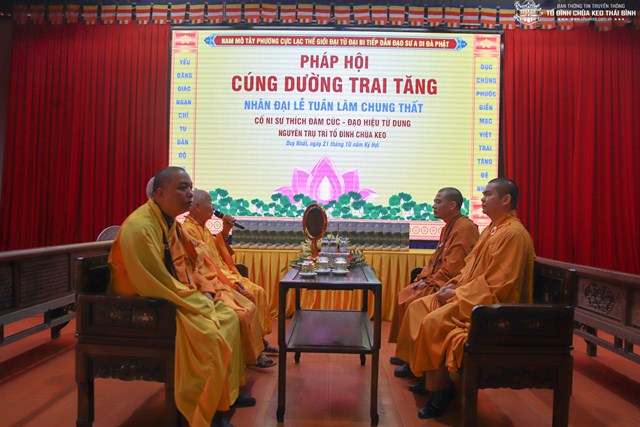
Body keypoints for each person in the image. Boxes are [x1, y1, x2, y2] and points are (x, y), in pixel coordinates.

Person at [108, 167, 249, 427]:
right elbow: (152, 281)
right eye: (182, 188)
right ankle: (201, 411)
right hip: (143, 306)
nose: (190, 194)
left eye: (191, 188)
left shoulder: (169, 223)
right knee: (209, 331)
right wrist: (199, 300)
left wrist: (205, 289)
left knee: (229, 317)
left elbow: (189, 265)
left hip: (171, 294)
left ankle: (224, 397)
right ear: (160, 193)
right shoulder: (140, 227)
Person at [394, 177, 535, 419]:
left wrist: (456, 293)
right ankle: (423, 372)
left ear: (506, 199)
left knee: (432, 321)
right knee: (418, 307)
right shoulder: (492, 230)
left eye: (488, 194)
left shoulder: (512, 234)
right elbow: (469, 269)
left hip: (487, 306)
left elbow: (499, 285)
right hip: (467, 294)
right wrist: (452, 286)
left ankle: (441, 390)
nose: (482, 199)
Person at [389, 188, 479, 377]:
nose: (433, 206)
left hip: (448, 284)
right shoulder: (448, 226)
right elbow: (435, 259)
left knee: (412, 302)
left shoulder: (465, 228)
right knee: (404, 294)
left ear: (452, 205)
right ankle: (407, 353)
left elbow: (455, 266)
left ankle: (414, 361)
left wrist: (432, 282)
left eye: (438, 202)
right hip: (436, 279)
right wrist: (424, 278)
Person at [184, 189, 275, 368]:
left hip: (224, 271)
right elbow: (202, 262)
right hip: (214, 277)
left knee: (259, 291)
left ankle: (258, 341)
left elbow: (217, 249)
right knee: (251, 294)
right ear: (198, 206)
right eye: (210, 203)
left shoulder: (202, 227)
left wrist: (226, 230)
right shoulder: (188, 229)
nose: (213, 207)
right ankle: (254, 348)